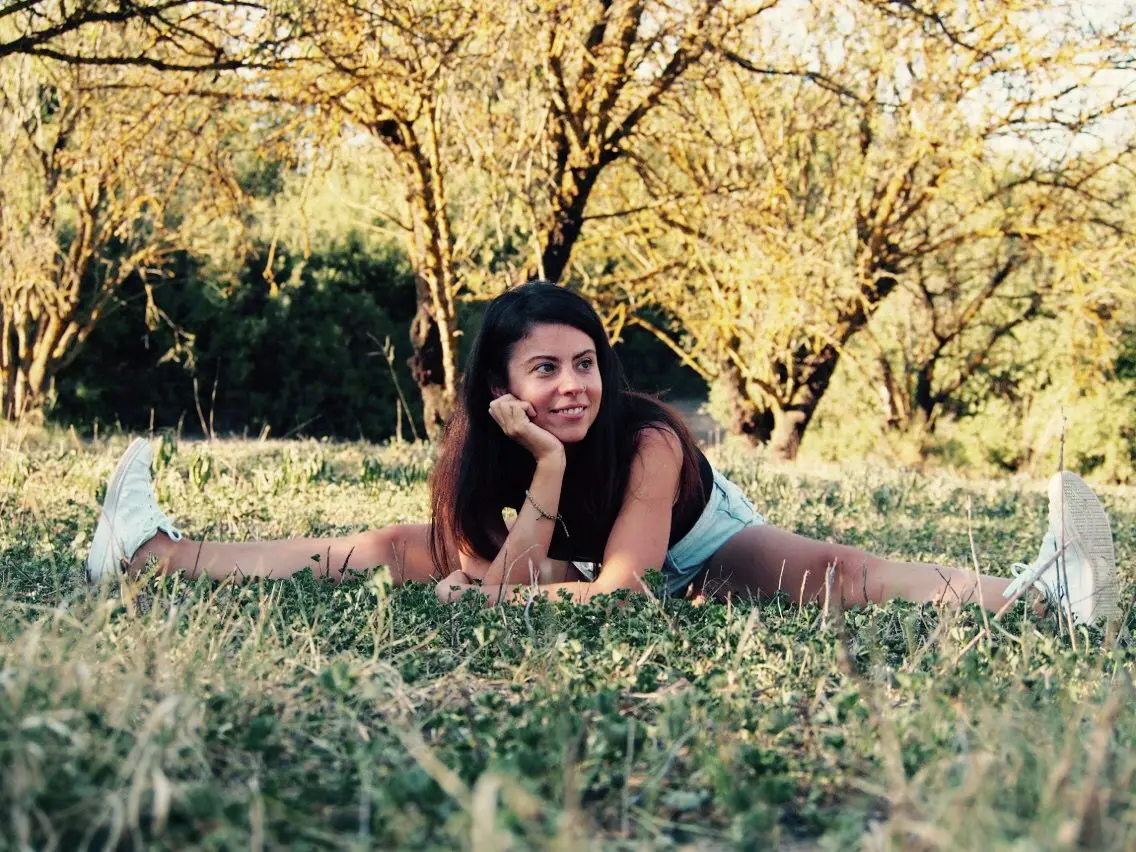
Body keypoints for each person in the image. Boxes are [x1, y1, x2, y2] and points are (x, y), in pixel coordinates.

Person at [87, 281, 1120, 625]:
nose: (572, 385)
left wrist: (516, 585)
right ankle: (149, 555)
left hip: (688, 544)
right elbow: (500, 579)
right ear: (501, 385)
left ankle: (1041, 592)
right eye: (545, 370)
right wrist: (537, 473)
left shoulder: (650, 440)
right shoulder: (482, 451)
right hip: (568, 542)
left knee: (834, 572)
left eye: (584, 363)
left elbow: (625, 586)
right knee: (386, 544)